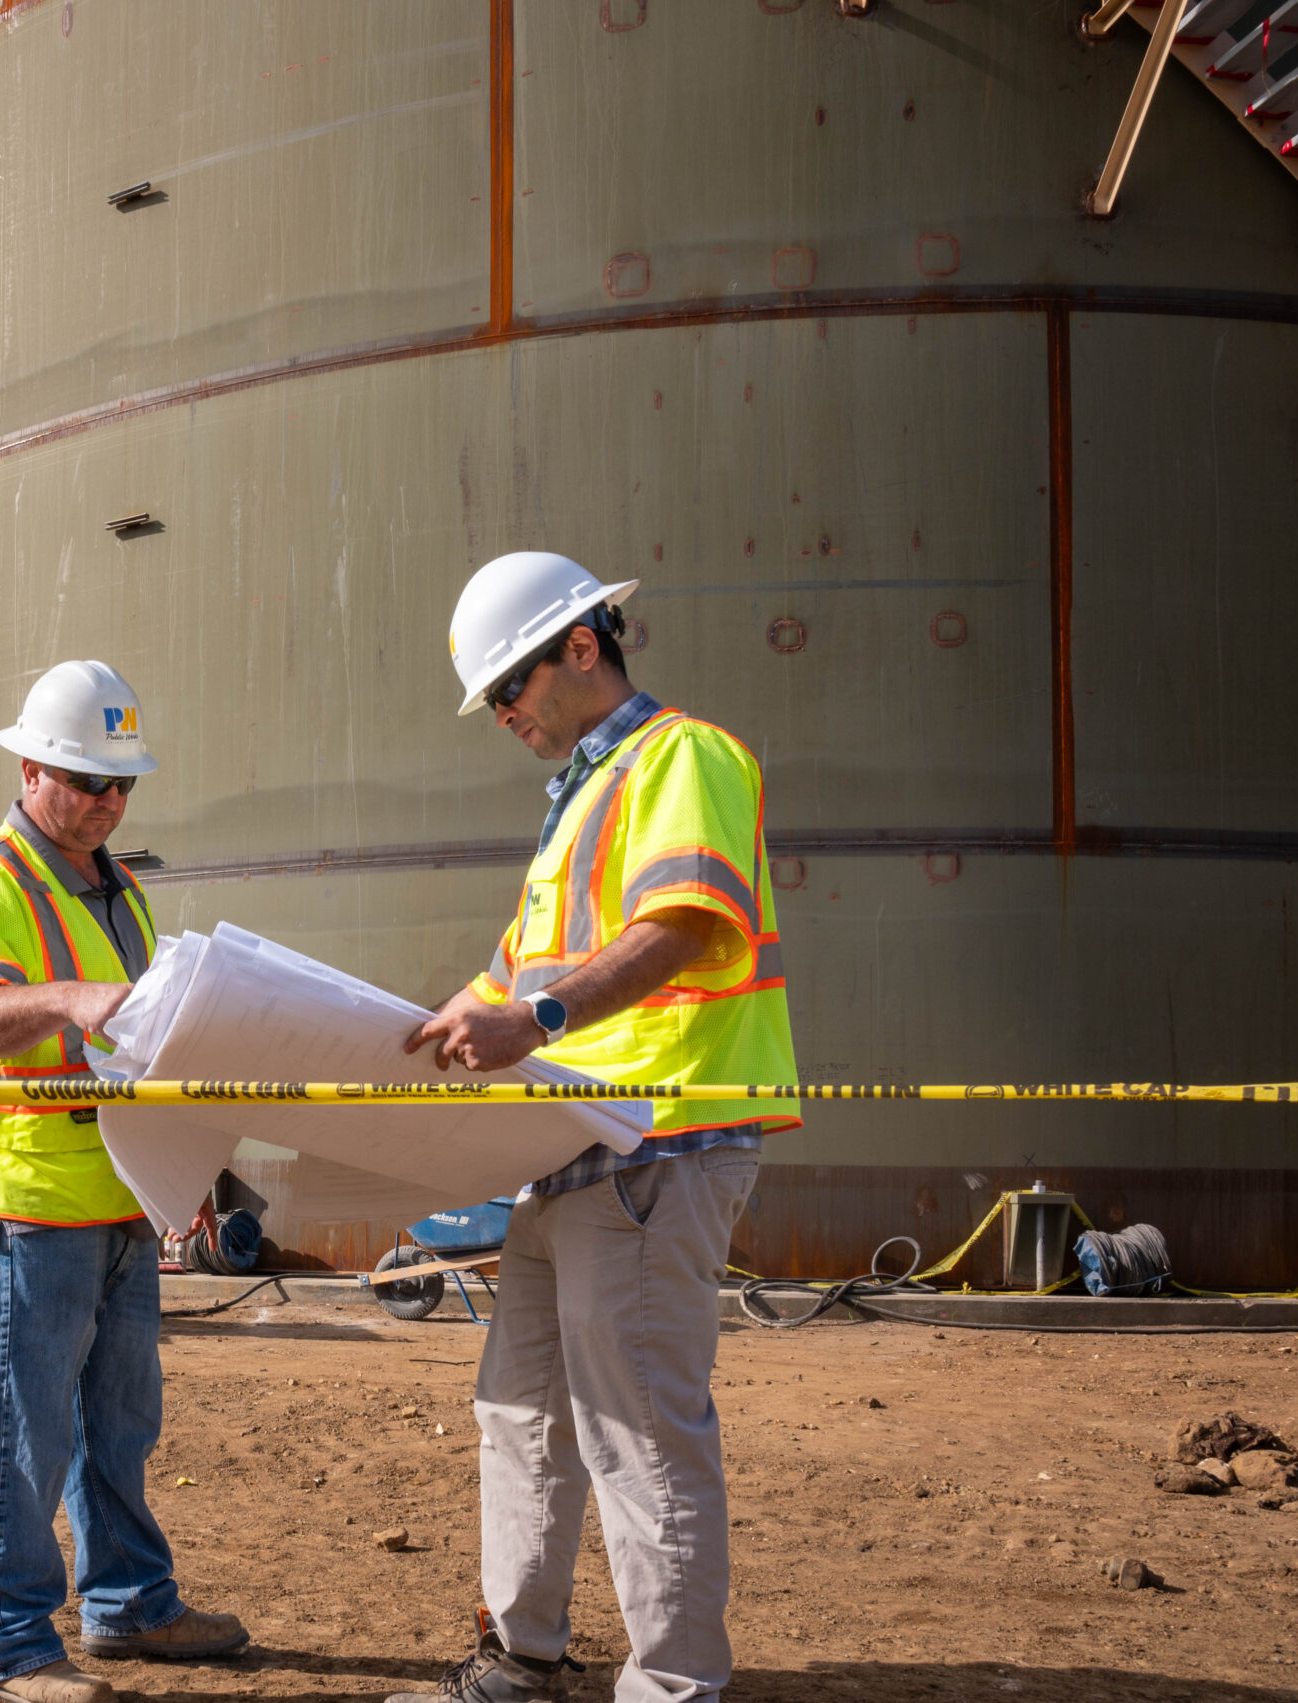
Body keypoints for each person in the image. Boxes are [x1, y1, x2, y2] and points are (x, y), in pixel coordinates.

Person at [394, 552, 801, 1703]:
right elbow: (506, 980)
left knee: (637, 1429)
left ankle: (672, 1686)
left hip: (651, 1138)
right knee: (520, 1408)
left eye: (510, 688)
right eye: (495, 703)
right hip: (562, 1145)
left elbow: (686, 922)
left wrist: (542, 1013)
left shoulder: (681, 756)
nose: (506, 716)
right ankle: (518, 1661)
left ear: (582, 645)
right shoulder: (578, 801)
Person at [0, 659, 248, 1703]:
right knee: (20, 1427)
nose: (105, 802)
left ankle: (127, 1602)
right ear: (29, 766)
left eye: (120, 785)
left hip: (116, 1194)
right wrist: (67, 996)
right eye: (84, 779)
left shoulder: (125, 892)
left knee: (120, 1417)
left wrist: (185, 1166)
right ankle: (7, 1639)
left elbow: (147, 1050)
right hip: (22, 1201)